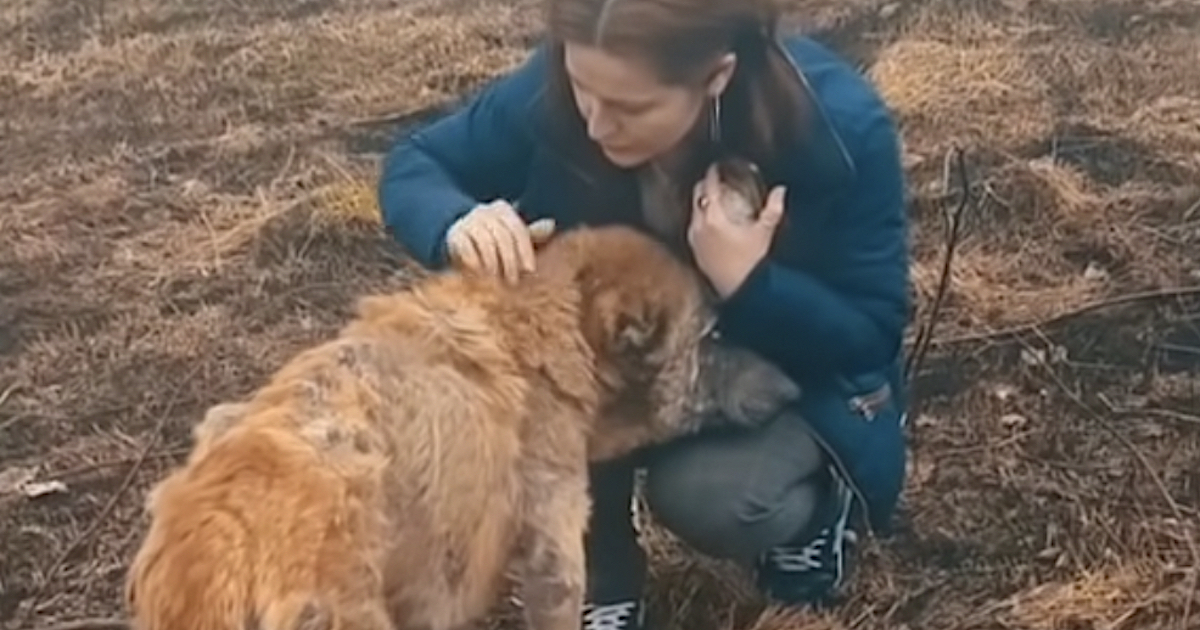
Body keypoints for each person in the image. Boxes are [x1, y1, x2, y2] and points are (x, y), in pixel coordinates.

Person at [376, 0, 911, 628]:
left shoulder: (837, 129)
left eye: (630, 109)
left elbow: (868, 336)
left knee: (711, 498)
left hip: (768, 373)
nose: (596, 124)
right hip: (625, 363)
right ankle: (601, 572)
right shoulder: (570, 83)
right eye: (582, 90)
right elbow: (417, 164)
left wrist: (750, 284)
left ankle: (819, 513)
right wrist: (456, 222)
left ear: (716, 77)